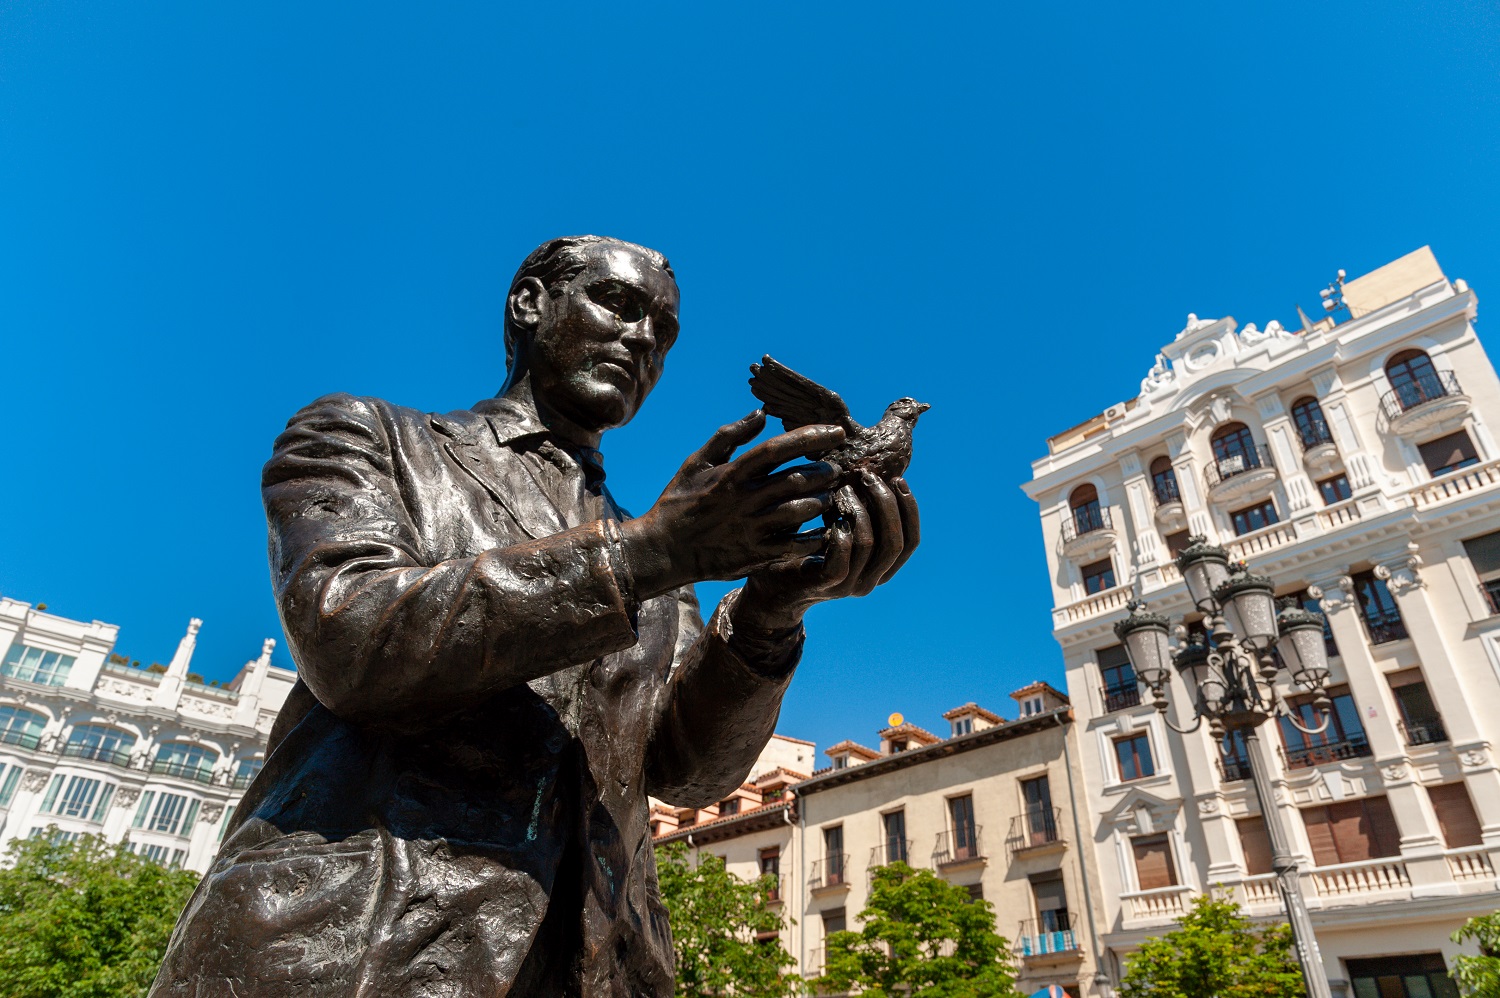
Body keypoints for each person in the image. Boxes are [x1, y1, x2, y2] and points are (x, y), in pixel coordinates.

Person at [149, 235, 919, 997]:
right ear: (529, 304)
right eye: (618, 303)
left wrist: (770, 615)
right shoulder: (369, 437)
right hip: (353, 948)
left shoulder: (664, 553)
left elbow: (686, 774)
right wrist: (650, 553)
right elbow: (352, 639)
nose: (644, 337)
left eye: (664, 332)